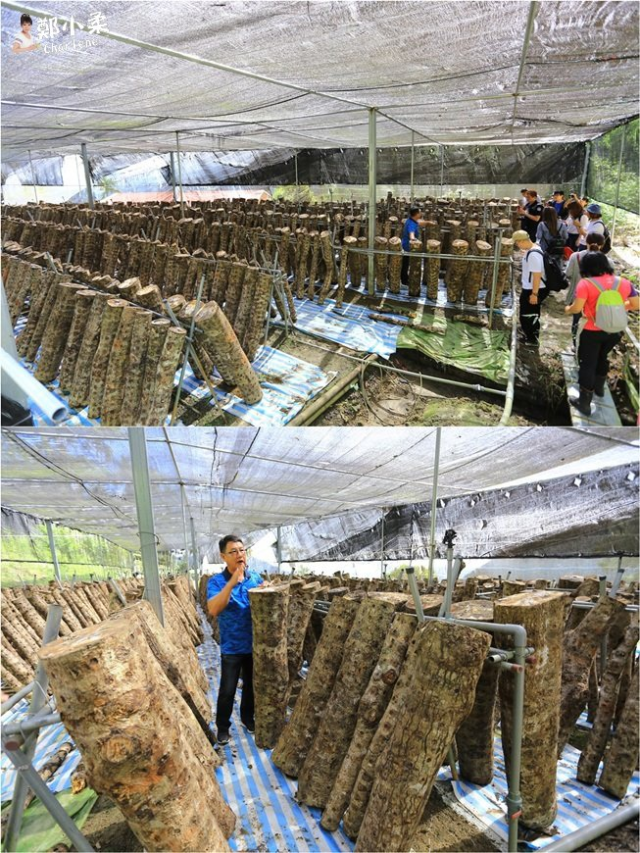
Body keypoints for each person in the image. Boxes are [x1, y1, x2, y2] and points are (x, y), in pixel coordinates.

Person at [207, 535, 264, 745]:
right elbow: (213, 609)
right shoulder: (217, 582)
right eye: (234, 551)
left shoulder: (255, 578)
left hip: (254, 645)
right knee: (228, 689)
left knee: (250, 686)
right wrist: (232, 583)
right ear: (223, 557)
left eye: (242, 550)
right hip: (232, 647)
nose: (240, 554)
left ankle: (248, 718)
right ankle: (223, 727)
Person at [564, 251, 634, 414]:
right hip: (614, 331)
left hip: (591, 331)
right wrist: (617, 308)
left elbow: (576, 308)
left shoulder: (586, 284)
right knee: (603, 357)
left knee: (588, 364)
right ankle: (599, 389)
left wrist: (568, 309)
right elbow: (636, 304)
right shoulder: (623, 283)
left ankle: (585, 404)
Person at [564, 232, 611, 348]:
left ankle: (576, 346)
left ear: (586, 241)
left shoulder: (576, 256)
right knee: (594, 324)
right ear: (602, 244)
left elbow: (568, 274)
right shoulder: (608, 261)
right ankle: (590, 349)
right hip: (598, 301)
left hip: (578, 297)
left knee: (576, 322)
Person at [512, 229, 548, 348]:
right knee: (528, 312)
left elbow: (537, 275)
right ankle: (529, 335)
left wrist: (534, 294)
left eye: (517, 243)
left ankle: (532, 339)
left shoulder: (533, 254)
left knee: (529, 314)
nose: (517, 245)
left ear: (522, 241)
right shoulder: (533, 249)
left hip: (533, 289)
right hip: (531, 288)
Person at [400, 205, 421, 287]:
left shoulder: (410, 220)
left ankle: (404, 278)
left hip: (405, 244)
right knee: (406, 263)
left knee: (405, 263)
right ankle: (404, 280)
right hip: (408, 246)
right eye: (419, 212)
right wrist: (415, 240)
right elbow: (411, 234)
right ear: (416, 214)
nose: (420, 213)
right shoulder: (412, 223)